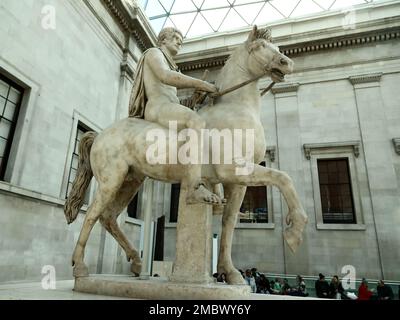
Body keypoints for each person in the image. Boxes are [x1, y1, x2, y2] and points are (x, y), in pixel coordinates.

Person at [128, 27, 221, 205]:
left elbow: (174, 102)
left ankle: (213, 186)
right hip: (157, 108)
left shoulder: (171, 64)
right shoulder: (154, 53)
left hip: (167, 107)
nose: (179, 41)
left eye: (181, 39)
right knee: (196, 121)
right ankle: (194, 188)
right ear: (163, 39)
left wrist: (194, 97)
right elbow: (165, 76)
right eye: (176, 38)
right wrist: (203, 83)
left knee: (206, 132)